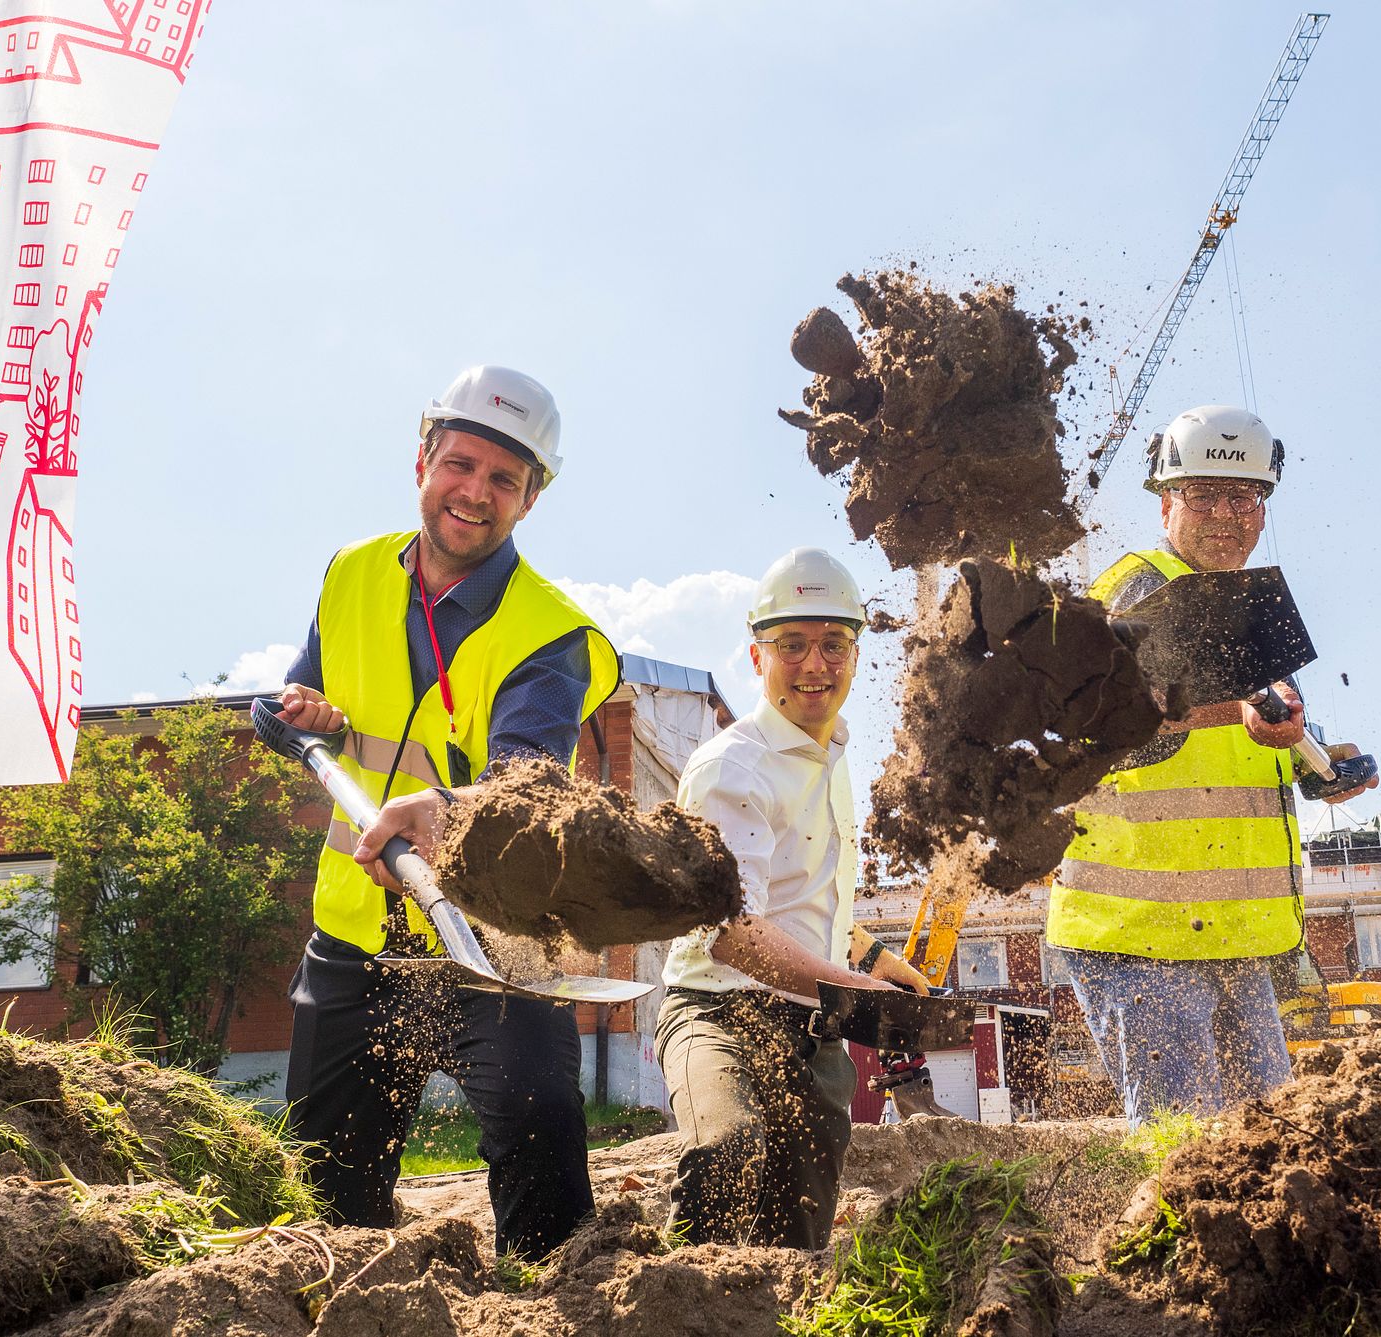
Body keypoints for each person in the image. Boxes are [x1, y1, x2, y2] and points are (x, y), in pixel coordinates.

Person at [276, 365, 620, 1258]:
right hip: (356, 939)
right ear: (422, 459)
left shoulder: (550, 633)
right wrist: (305, 713)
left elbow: (525, 781)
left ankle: (552, 1294)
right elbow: (308, 698)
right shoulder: (351, 574)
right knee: (321, 1197)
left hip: (487, 947)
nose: (475, 492)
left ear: (531, 498)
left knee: (542, 1135)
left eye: (504, 478)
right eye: (459, 464)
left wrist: (450, 808)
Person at [1046, 405, 1376, 1125]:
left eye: (1244, 496)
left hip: (1229, 939)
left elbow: (1256, 735)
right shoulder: (1138, 590)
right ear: (1165, 502)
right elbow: (1098, 727)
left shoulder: (1245, 607)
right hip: (1139, 934)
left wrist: (1320, 763)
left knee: (1259, 1140)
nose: (1227, 514)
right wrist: (1238, 714)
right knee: (1186, 1141)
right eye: (1203, 495)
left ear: (1264, 507)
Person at [655, 547, 929, 1249]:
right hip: (718, 1011)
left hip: (813, 1028)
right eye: (792, 644)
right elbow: (732, 931)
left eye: (834, 643)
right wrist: (855, 989)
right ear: (758, 656)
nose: (815, 664)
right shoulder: (731, 766)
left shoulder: (833, 755)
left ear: (856, 654)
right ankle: (674, 1295)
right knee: (726, 1149)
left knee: (799, 1229)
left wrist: (874, 958)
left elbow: (803, 898)